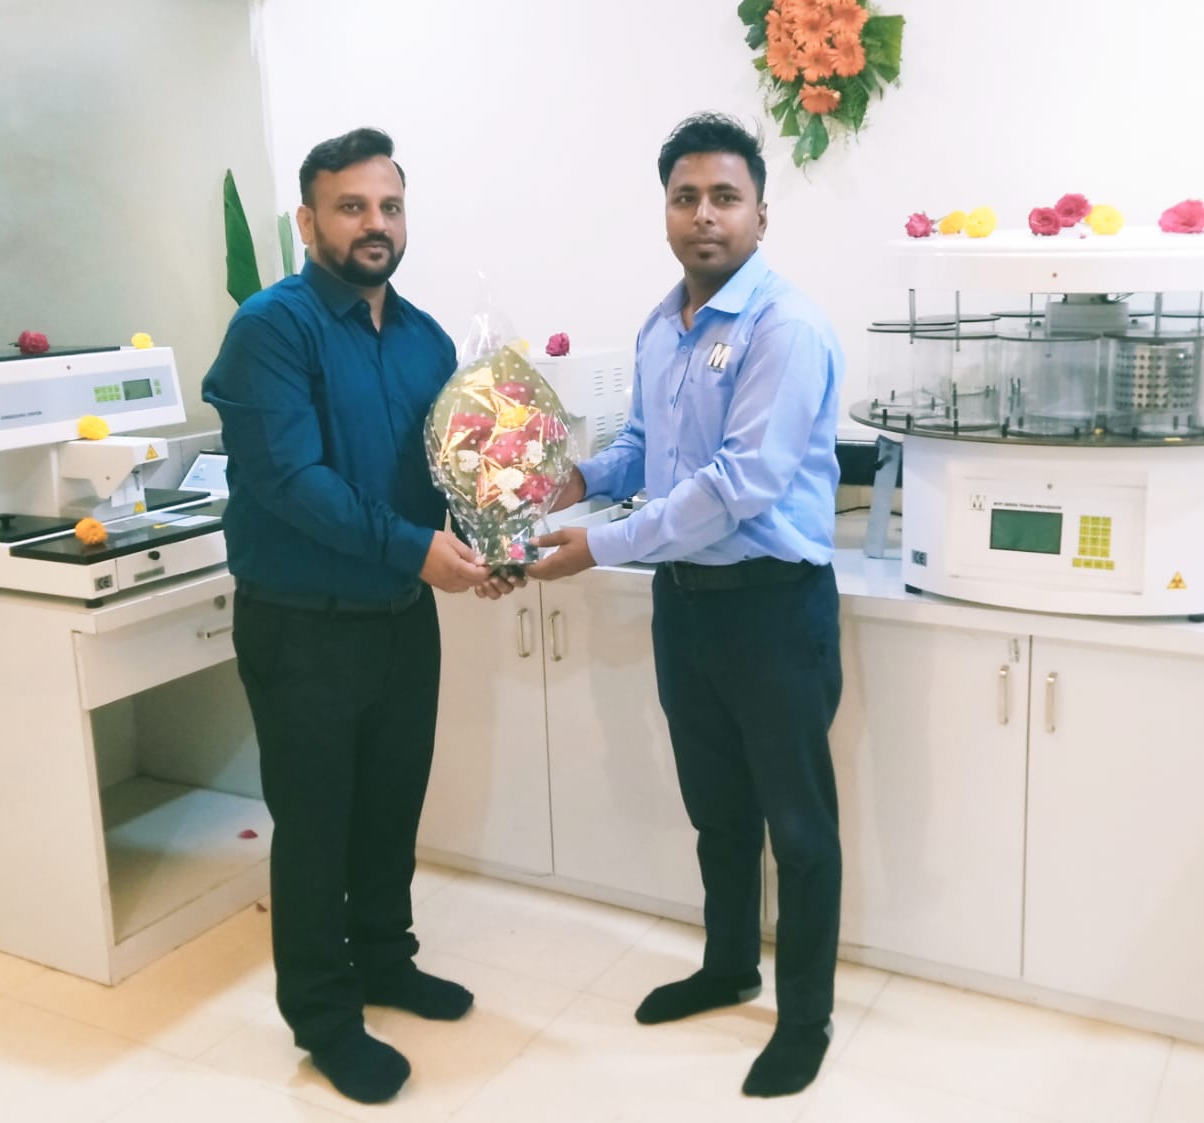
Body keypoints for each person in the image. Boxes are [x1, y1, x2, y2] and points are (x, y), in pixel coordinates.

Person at [529, 112, 845, 1099]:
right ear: (665, 211)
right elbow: (647, 450)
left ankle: (804, 1019)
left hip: (773, 609)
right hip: (687, 605)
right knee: (717, 810)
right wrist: (577, 480)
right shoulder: (661, 326)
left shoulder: (784, 328)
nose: (704, 215)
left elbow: (738, 484)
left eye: (725, 197)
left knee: (799, 827)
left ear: (760, 214)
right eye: (685, 197)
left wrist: (602, 544)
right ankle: (727, 966)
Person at [203, 126, 513, 1105]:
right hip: (302, 624)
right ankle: (325, 1017)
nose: (374, 224)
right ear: (308, 222)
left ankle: (385, 960)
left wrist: (489, 538)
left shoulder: (426, 339)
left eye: (389, 206)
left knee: (389, 809)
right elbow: (292, 480)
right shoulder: (272, 329)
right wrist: (417, 550)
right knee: (316, 828)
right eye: (351, 207)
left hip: (399, 618)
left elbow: (442, 473)